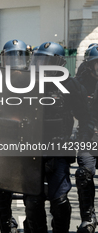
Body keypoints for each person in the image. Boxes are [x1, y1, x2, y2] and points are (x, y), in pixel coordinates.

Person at [23, 42, 92, 233]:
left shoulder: (71, 85)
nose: (41, 65)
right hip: (32, 150)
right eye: (39, 60)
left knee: (59, 199)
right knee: (33, 200)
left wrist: (84, 142)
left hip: (59, 150)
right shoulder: (27, 84)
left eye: (46, 61)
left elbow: (84, 117)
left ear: (59, 63)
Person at [0, 39, 31, 233]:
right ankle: (6, 223)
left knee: (30, 183)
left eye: (19, 56)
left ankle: (32, 221)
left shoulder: (34, 78)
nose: (15, 61)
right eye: (11, 57)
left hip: (29, 138)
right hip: (3, 138)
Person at [74, 45, 98, 233]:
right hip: (88, 136)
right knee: (83, 173)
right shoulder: (79, 84)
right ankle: (88, 218)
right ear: (90, 66)